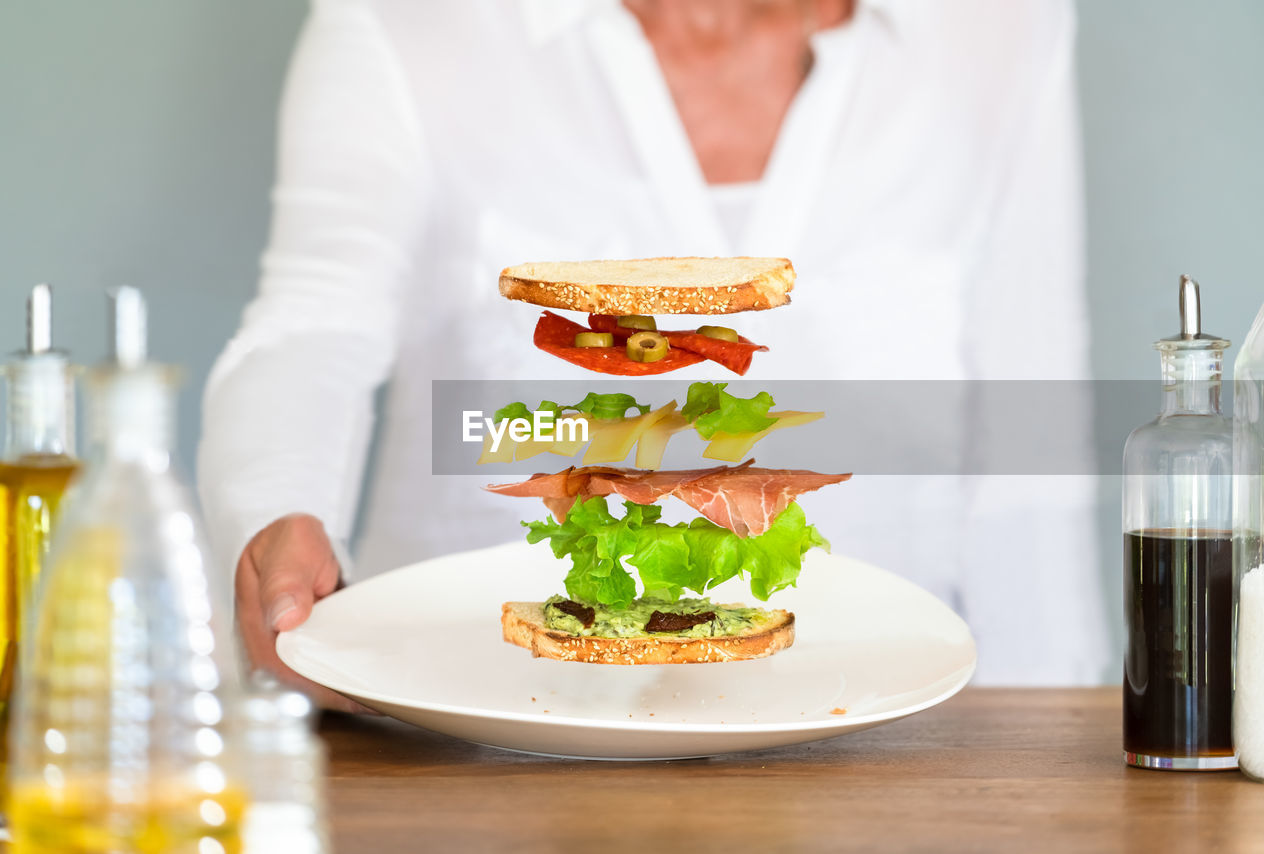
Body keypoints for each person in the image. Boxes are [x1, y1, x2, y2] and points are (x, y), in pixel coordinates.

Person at [198, 0, 1109, 709]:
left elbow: (1034, 437)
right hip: (481, 749)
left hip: (889, 747)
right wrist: (279, 509)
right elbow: (312, 328)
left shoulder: (1000, 29)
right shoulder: (412, 25)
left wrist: (1047, 747)